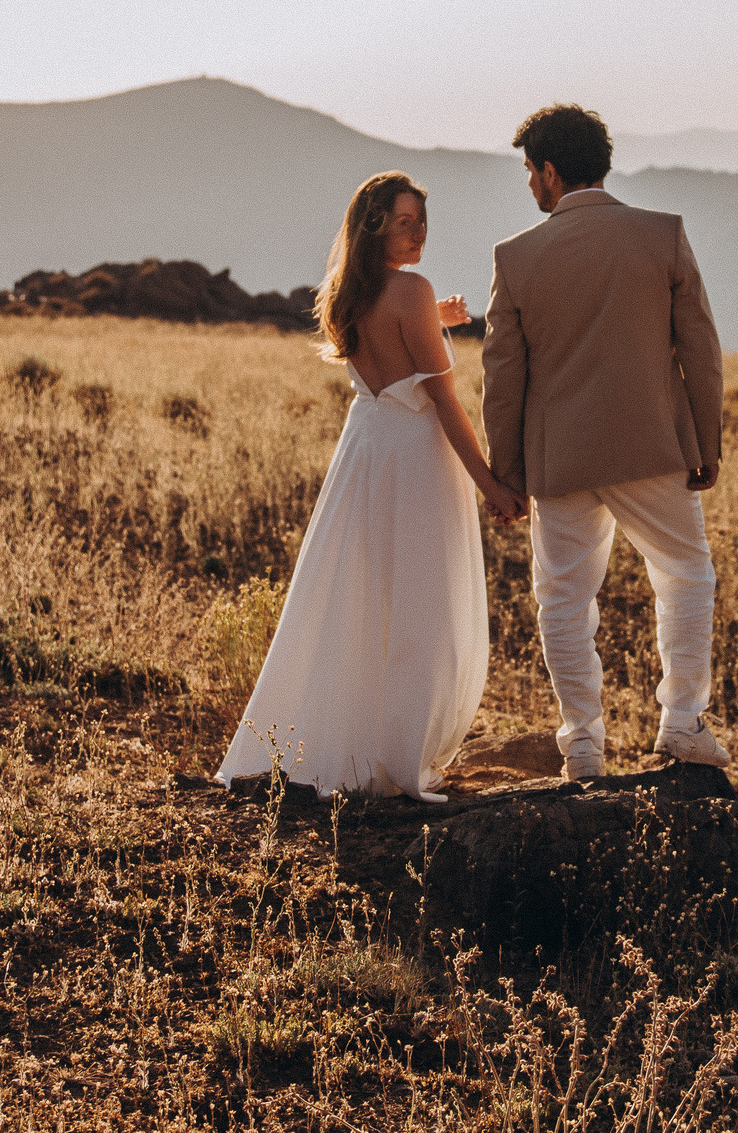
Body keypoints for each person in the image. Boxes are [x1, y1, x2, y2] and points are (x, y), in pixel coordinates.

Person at [215, 171, 526, 802]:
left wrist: (431, 320)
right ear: (374, 224)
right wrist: (491, 484)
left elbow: (386, 339)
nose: (418, 234)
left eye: (421, 222)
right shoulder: (412, 289)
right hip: (415, 456)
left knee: (356, 594)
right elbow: (442, 399)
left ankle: (335, 741)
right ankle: (399, 752)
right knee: (419, 601)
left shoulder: (344, 292)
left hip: (365, 450)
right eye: (404, 221)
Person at [481, 104, 728, 781]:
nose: (530, 185)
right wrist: (707, 440)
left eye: (531, 172)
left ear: (551, 172)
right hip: (655, 446)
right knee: (686, 575)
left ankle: (583, 743)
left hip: (559, 460)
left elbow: (502, 378)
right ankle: (681, 722)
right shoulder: (663, 235)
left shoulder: (516, 256)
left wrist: (506, 474)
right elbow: (700, 350)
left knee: (562, 599)